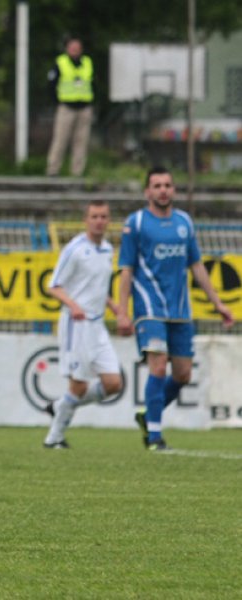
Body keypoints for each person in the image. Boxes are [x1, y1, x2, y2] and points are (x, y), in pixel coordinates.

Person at [116, 167, 234, 451]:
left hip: (180, 310)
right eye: (157, 185)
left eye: (167, 185)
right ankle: (154, 437)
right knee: (158, 365)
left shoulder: (184, 222)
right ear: (147, 191)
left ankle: (148, 415)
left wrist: (217, 303)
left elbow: (197, 266)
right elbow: (126, 270)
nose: (163, 190)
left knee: (182, 375)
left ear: (174, 190)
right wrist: (122, 311)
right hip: (150, 307)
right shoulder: (136, 223)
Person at [43, 200, 123, 449]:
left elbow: (96, 286)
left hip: (97, 326)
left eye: (103, 216)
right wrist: (74, 305)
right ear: (86, 220)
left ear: (109, 221)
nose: (99, 221)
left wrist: (113, 306)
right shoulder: (75, 249)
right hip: (76, 325)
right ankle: (54, 438)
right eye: (94, 216)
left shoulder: (107, 249)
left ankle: (60, 406)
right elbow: (54, 286)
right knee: (78, 384)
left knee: (113, 383)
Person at [46, 37, 94, 177]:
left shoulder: (87, 62)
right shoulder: (61, 62)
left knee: (81, 141)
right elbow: (51, 84)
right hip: (66, 107)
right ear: (67, 49)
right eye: (72, 48)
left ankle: (77, 172)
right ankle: (53, 170)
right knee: (60, 139)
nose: (75, 51)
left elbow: (93, 83)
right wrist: (57, 101)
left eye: (77, 48)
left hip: (84, 107)